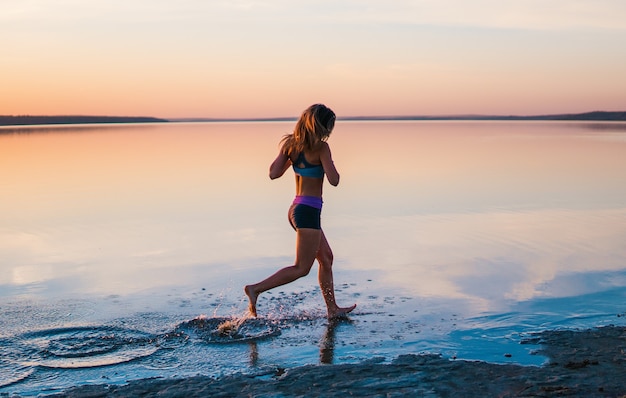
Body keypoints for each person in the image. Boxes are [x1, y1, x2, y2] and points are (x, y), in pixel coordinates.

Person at [245, 104, 356, 319]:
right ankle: (255, 289)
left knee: (326, 258)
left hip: (296, 209)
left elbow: (273, 174)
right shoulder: (322, 148)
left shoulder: (290, 145)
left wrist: (293, 162)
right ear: (321, 126)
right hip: (308, 212)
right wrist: (326, 164)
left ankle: (332, 309)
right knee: (301, 268)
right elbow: (334, 181)